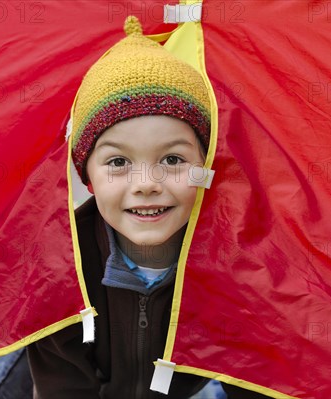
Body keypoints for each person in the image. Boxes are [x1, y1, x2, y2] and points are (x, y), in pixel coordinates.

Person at [26, 16, 269, 399]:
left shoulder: (241, 264)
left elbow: (257, 378)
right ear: (87, 175)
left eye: (172, 160)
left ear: (205, 168)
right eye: (118, 163)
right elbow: (63, 390)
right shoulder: (58, 266)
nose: (146, 184)